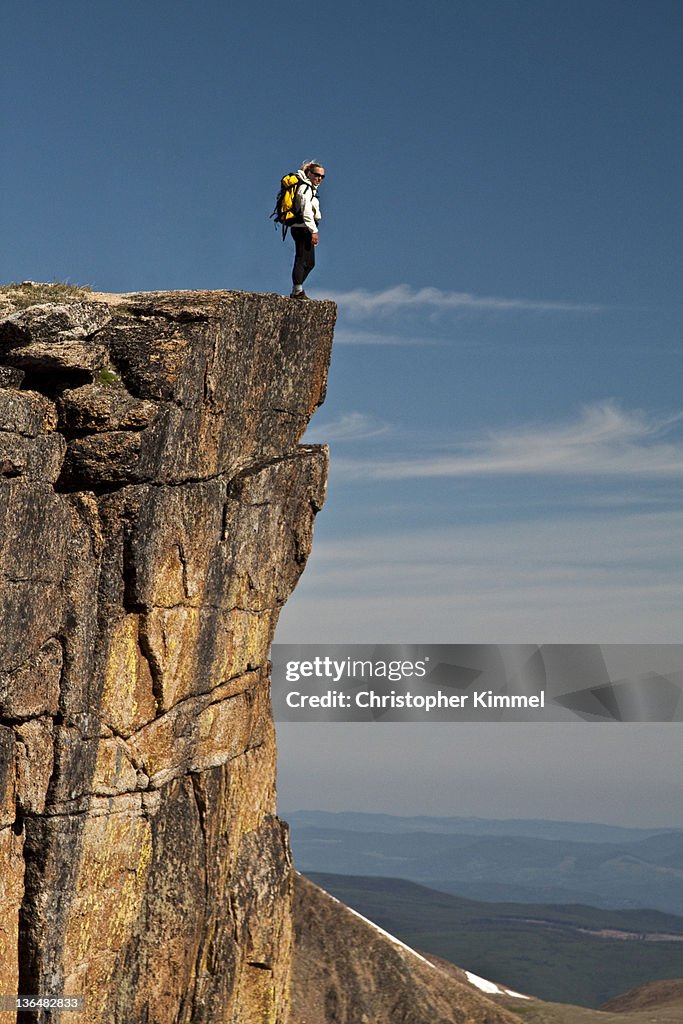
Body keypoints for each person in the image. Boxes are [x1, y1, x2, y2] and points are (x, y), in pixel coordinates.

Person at [290, 160, 325, 299]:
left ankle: (297, 289)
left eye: (322, 176)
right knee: (302, 259)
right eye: (317, 175)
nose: (319, 178)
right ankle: (297, 290)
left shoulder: (309, 188)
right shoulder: (305, 188)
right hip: (303, 228)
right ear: (309, 173)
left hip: (303, 228)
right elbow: (306, 210)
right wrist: (313, 230)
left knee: (309, 262)